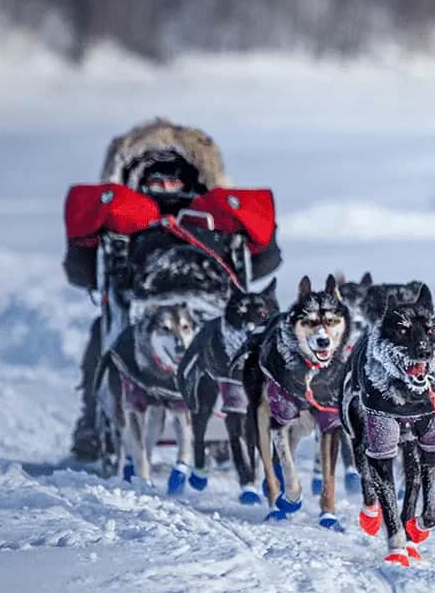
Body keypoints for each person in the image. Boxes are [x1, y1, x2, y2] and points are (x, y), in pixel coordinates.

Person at [66, 119, 281, 462]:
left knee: (102, 335)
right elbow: (266, 262)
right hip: (211, 302)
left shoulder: (126, 218)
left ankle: (93, 421)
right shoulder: (213, 222)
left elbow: (81, 271)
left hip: (141, 301)